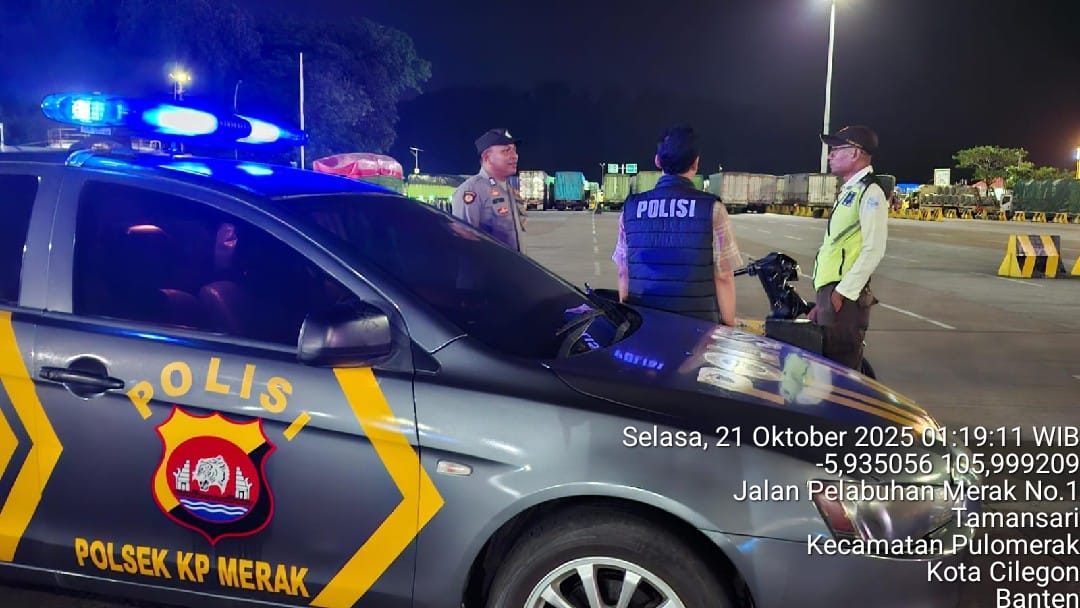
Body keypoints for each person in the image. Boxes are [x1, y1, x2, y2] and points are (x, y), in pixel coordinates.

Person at [611, 124, 742, 326]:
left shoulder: (631, 209)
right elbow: (724, 276)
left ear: (657, 161)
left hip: (644, 324)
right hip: (698, 328)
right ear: (696, 163)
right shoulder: (713, 209)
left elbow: (623, 271)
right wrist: (728, 325)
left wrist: (630, 322)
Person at [808, 125, 888, 370]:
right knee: (825, 371)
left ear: (854, 153)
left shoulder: (870, 192)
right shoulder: (849, 191)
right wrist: (823, 303)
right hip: (833, 296)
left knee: (840, 374)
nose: (830, 155)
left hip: (846, 300)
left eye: (836, 149)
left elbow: (874, 249)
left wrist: (840, 294)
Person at [451, 128, 527, 253]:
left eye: (514, 150)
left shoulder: (508, 189)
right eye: (506, 151)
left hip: (511, 265)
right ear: (486, 157)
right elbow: (465, 244)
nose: (514, 156)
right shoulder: (472, 190)